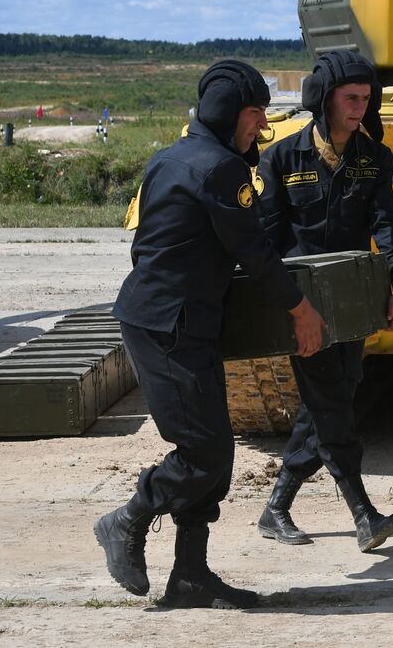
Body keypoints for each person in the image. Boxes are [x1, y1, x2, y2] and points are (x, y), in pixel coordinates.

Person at [97, 60, 325, 609]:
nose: (263, 125)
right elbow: (254, 252)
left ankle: (191, 576)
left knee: (211, 451)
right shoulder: (220, 168)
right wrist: (301, 310)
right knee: (204, 454)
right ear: (230, 114)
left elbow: (146, 245)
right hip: (170, 327)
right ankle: (126, 518)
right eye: (255, 114)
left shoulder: (171, 157)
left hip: (169, 319)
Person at [255, 50, 393, 553]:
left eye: (366, 99)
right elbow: (266, 236)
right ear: (324, 99)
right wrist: (281, 301)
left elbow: (388, 222)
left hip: (354, 301)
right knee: (331, 405)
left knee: (332, 399)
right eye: (350, 98)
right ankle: (364, 513)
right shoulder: (282, 158)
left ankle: (276, 507)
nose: (360, 108)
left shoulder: (374, 159)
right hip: (304, 306)